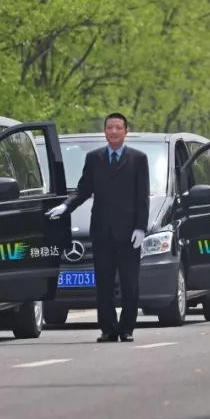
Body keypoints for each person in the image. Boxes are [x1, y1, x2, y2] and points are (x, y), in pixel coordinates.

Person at [46, 113, 149, 343]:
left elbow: (142, 196)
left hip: (129, 233)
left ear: (126, 131)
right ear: (105, 131)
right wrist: (65, 206)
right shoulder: (94, 158)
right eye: (110, 127)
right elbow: (83, 190)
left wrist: (141, 228)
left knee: (130, 283)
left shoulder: (138, 159)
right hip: (102, 231)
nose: (114, 131)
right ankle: (108, 328)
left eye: (118, 127)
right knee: (103, 283)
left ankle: (127, 328)